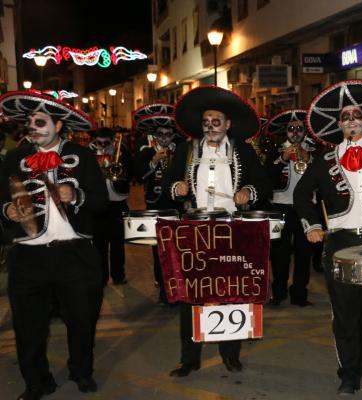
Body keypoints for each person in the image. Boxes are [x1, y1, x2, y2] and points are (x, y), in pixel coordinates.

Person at [294, 80, 362, 395]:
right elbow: (303, 195)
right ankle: (348, 371)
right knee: (344, 311)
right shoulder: (324, 160)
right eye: (345, 117)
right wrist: (312, 225)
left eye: (356, 115)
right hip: (340, 240)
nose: (351, 121)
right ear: (339, 124)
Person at [0, 91, 108, 400]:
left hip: (74, 252)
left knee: (83, 319)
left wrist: (76, 196)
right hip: (29, 253)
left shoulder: (82, 155)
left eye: (40, 122)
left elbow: (101, 202)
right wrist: (6, 210)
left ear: (59, 125)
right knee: (28, 325)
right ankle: (36, 382)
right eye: (30, 122)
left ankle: (81, 371)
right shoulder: (14, 158)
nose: (32, 127)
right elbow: (1, 199)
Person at [162, 85, 271, 377]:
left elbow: (263, 185)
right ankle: (190, 358)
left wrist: (248, 192)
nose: (210, 127)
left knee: (231, 292)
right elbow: (166, 184)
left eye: (216, 121)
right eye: (206, 122)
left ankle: (230, 354)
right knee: (191, 294)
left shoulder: (242, 150)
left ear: (228, 124)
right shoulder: (186, 150)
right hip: (194, 230)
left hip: (231, 229)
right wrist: (177, 188)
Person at [265, 109, 316, 307]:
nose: (295, 132)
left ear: (305, 131)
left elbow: (322, 177)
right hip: (280, 207)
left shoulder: (313, 150)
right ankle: (278, 293)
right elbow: (267, 178)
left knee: (304, 253)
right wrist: (283, 159)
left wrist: (308, 158)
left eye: (299, 129)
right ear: (285, 131)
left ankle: (299, 294)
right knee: (279, 253)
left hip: (305, 208)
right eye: (291, 129)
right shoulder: (276, 151)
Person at [133, 106, 180, 305]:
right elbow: (138, 175)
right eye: (160, 134)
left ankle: (177, 288)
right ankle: (163, 288)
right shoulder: (147, 151)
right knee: (159, 247)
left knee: (177, 248)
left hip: (176, 205)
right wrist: (153, 162)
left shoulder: (180, 150)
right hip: (155, 204)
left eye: (168, 134)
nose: (164, 138)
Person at [89, 127, 133, 286]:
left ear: (112, 140)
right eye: (98, 142)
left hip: (117, 202)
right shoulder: (89, 152)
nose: (102, 146)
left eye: (105, 143)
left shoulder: (122, 151)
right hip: (98, 204)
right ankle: (101, 278)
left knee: (117, 244)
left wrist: (118, 171)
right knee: (99, 244)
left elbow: (130, 172)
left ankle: (118, 275)